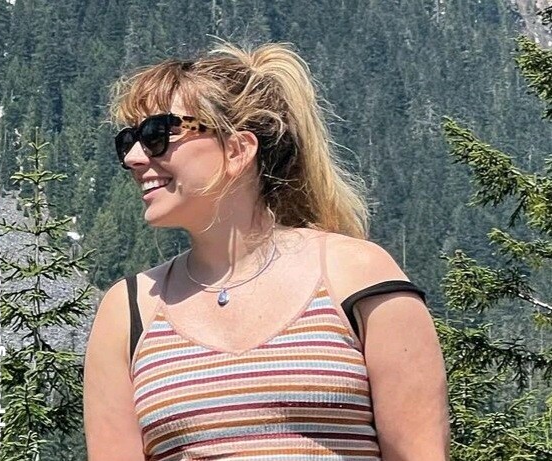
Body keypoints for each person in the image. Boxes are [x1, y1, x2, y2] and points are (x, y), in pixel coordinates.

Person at [83, 41, 450, 461]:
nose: (133, 157)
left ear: (237, 150)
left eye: (156, 135)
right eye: (128, 140)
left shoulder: (359, 276)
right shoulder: (128, 311)